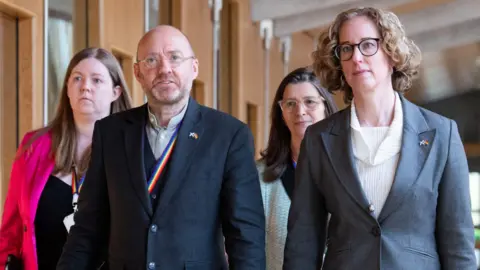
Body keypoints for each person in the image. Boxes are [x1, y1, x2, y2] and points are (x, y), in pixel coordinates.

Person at [57, 25, 266, 270]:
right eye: (151, 60)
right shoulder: (110, 133)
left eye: (175, 58)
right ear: (137, 73)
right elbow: (87, 227)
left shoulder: (229, 135)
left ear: (194, 67)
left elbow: (245, 236)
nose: (164, 69)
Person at [283, 7, 476, 270]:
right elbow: (303, 241)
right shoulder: (319, 139)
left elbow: (457, 243)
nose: (357, 57)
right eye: (347, 49)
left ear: (392, 54)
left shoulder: (441, 133)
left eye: (368, 45)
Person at [0, 47, 133, 270]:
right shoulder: (34, 146)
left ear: (116, 92)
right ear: (68, 89)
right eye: (77, 78)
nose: (85, 87)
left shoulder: (132, 150)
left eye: (97, 80)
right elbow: (11, 228)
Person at [257, 67, 337, 270]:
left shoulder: (351, 170)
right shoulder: (259, 177)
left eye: (310, 102)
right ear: (281, 112)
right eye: (290, 104)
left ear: (326, 107)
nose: (300, 111)